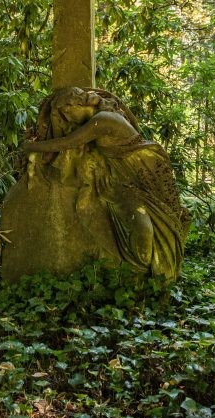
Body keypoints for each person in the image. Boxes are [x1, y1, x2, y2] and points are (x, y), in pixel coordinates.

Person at [23, 87, 188, 279]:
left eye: (67, 112)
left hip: (144, 173)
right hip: (126, 181)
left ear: (78, 104)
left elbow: (67, 142)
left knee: (158, 221)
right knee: (143, 228)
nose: (67, 118)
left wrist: (31, 146)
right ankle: (139, 275)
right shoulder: (99, 119)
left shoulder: (104, 120)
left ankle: (149, 277)